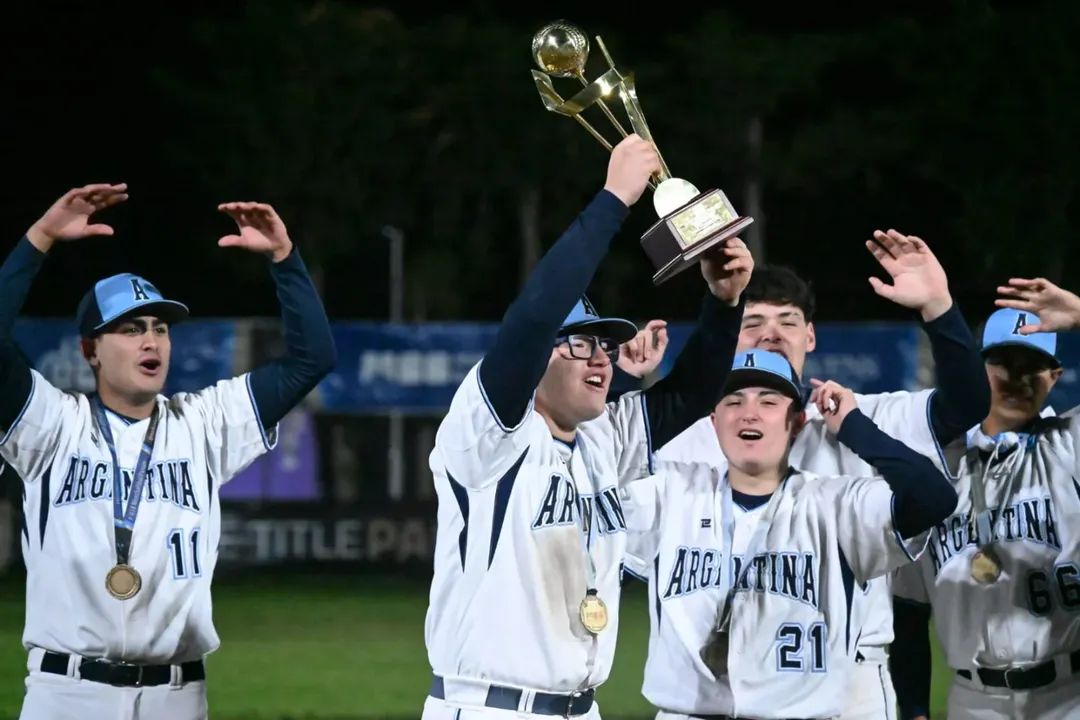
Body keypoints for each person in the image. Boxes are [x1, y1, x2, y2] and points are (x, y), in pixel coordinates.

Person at [421, 134, 754, 719]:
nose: (602, 357)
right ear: (537, 359)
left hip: (582, 707)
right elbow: (531, 318)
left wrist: (724, 305)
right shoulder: (490, 435)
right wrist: (612, 201)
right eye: (581, 344)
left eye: (605, 344)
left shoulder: (601, 440)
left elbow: (693, 394)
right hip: (490, 708)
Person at [3, 183, 336, 720]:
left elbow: (311, 360)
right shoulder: (53, 424)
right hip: (68, 693)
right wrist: (40, 238)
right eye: (131, 329)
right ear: (90, 350)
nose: (151, 341)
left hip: (177, 696)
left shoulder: (202, 423)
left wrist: (284, 259)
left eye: (160, 328)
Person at [644, 234, 990, 719]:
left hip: (849, 676)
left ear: (810, 336)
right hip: (709, 681)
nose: (772, 334)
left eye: (788, 322)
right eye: (753, 322)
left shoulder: (859, 416)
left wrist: (938, 308)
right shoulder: (691, 438)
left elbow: (968, 406)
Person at [620, 349, 958, 719]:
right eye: (733, 401)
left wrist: (855, 428)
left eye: (768, 401)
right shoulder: (673, 493)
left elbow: (934, 497)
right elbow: (607, 459)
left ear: (796, 423)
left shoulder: (836, 505)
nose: (749, 412)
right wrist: (625, 381)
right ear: (713, 421)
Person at [891, 280, 1080, 720]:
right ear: (975, 369)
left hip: (1071, 695)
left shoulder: (1070, 445)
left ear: (1055, 377)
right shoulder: (936, 469)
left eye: (1030, 366)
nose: (1015, 377)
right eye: (1001, 362)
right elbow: (909, 611)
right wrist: (916, 709)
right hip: (974, 701)